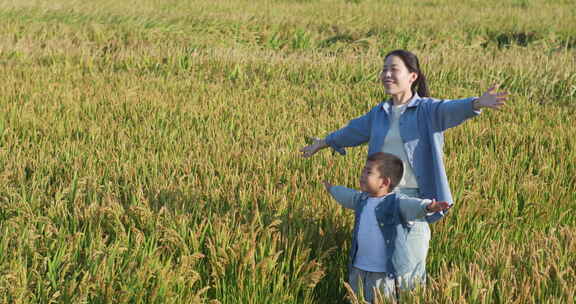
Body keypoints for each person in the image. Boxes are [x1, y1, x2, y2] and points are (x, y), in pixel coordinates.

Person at [300, 49, 508, 285]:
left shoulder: (428, 110)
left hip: (415, 203)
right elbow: (352, 131)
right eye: (384, 69)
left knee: (407, 276)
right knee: (377, 273)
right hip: (380, 202)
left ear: (412, 76)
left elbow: (450, 109)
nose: (387, 74)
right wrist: (325, 142)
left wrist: (477, 103)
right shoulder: (379, 114)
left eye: (394, 69)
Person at [323, 152, 450, 302]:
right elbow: (347, 196)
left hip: (383, 273)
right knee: (356, 299)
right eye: (364, 170)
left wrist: (428, 206)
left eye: (368, 172)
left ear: (384, 182)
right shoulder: (362, 199)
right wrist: (332, 189)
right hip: (359, 268)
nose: (362, 174)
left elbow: (412, 206)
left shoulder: (396, 202)